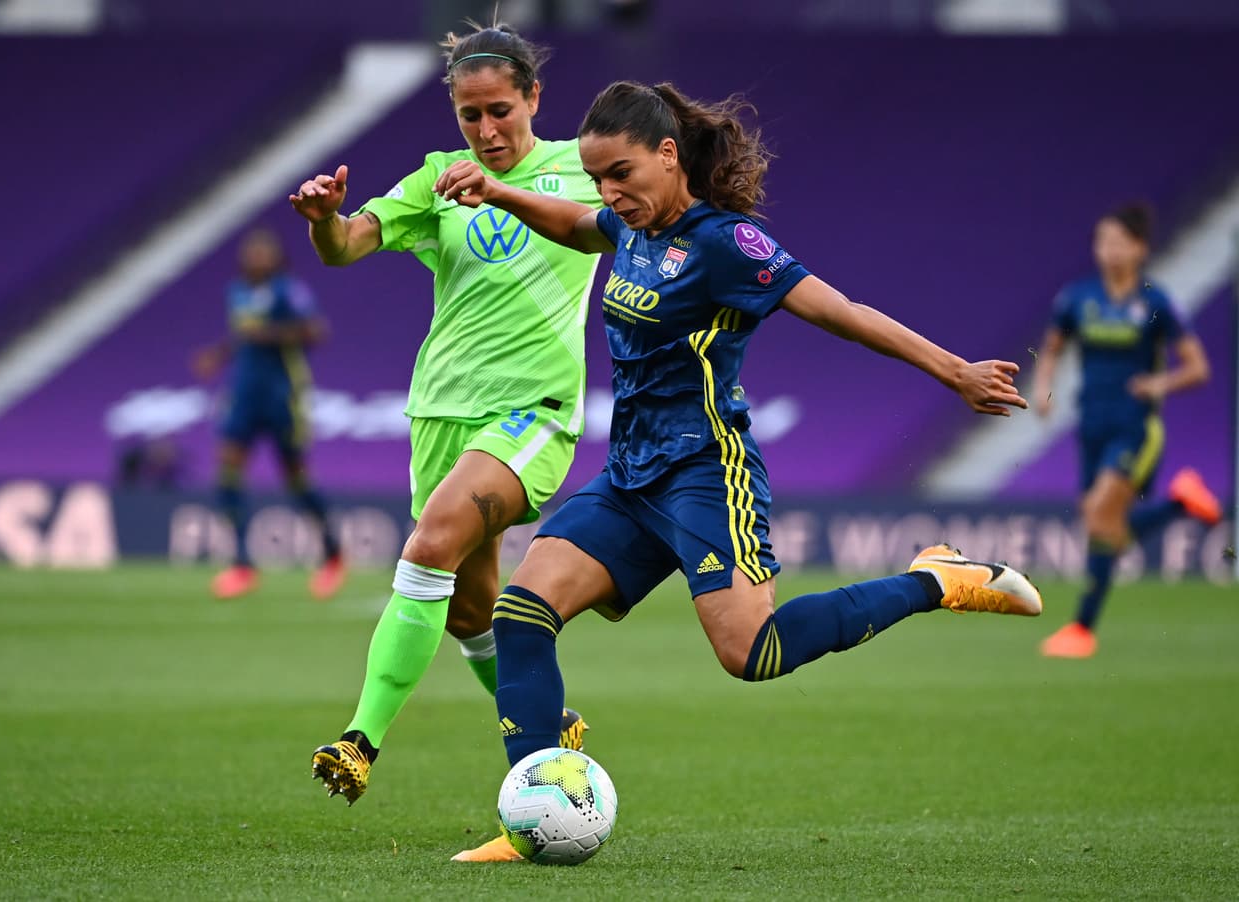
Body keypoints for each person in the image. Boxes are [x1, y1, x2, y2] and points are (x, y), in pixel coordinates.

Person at [433, 80, 1045, 862]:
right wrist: (499, 191)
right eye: (597, 180)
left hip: (704, 474)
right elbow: (577, 226)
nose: (609, 193)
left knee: (749, 655)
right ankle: (533, 816)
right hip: (629, 477)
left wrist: (954, 371)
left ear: (667, 155)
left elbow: (842, 310)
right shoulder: (628, 226)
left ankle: (936, 580)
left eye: (620, 173)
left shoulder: (728, 245)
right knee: (521, 616)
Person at [287, 23, 601, 806]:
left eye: (500, 110)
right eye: (470, 116)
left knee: (428, 546)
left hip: (536, 411)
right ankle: (547, 729)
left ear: (534, 96)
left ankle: (359, 741)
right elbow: (347, 246)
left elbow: (635, 225)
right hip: (440, 412)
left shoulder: (580, 171)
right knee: (467, 612)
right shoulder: (438, 180)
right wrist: (327, 217)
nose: (487, 131)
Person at [1033, 203, 1218, 659]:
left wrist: (1160, 382)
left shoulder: (1155, 303)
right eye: (1102, 241)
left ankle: (1081, 628)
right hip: (1090, 423)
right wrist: (1043, 387)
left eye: (1118, 242)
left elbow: (1198, 368)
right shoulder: (1078, 297)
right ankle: (1181, 504)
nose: (1109, 250)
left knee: (1099, 516)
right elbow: (1052, 349)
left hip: (1135, 427)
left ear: (1140, 248)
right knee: (1104, 528)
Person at [192, 227, 345, 601]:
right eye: (251, 252)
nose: (256, 258)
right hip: (244, 393)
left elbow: (315, 332)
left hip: (282, 394)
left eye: (263, 252)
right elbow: (243, 335)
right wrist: (220, 353)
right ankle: (242, 564)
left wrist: (270, 334)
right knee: (227, 468)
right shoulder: (237, 292)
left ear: (276, 259)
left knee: (295, 477)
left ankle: (332, 554)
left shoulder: (288, 290)